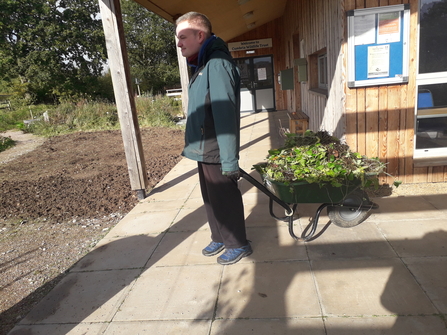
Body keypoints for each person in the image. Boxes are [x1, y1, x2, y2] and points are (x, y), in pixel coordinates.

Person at [175, 12, 252, 265]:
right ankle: (219, 236)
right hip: (204, 147)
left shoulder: (217, 64)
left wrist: (229, 159)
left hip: (217, 148)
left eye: (183, 37)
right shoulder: (203, 64)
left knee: (225, 197)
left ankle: (238, 243)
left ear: (200, 35)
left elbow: (224, 114)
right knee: (211, 198)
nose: (179, 43)